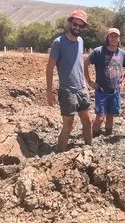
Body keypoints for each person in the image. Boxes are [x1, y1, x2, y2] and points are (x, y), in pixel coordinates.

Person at [46, 9, 93, 152]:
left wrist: (85, 85)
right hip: (67, 91)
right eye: (75, 24)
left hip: (82, 90)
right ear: (70, 23)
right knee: (69, 126)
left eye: (80, 26)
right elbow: (49, 68)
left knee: (88, 121)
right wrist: (49, 92)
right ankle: (60, 154)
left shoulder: (80, 41)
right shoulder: (58, 42)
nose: (77, 27)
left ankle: (89, 151)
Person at [84, 28, 125, 137]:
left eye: (116, 36)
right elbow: (85, 64)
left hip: (115, 91)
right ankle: (91, 136)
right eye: (111, 36)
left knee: (110, 116)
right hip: (101, 91)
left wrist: (123, 82)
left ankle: (108, 136)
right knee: (100, 118)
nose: (114, 39)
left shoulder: (122, 53)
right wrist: (89, 81)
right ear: (107, 37)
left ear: (119, 38)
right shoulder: (98, 51)